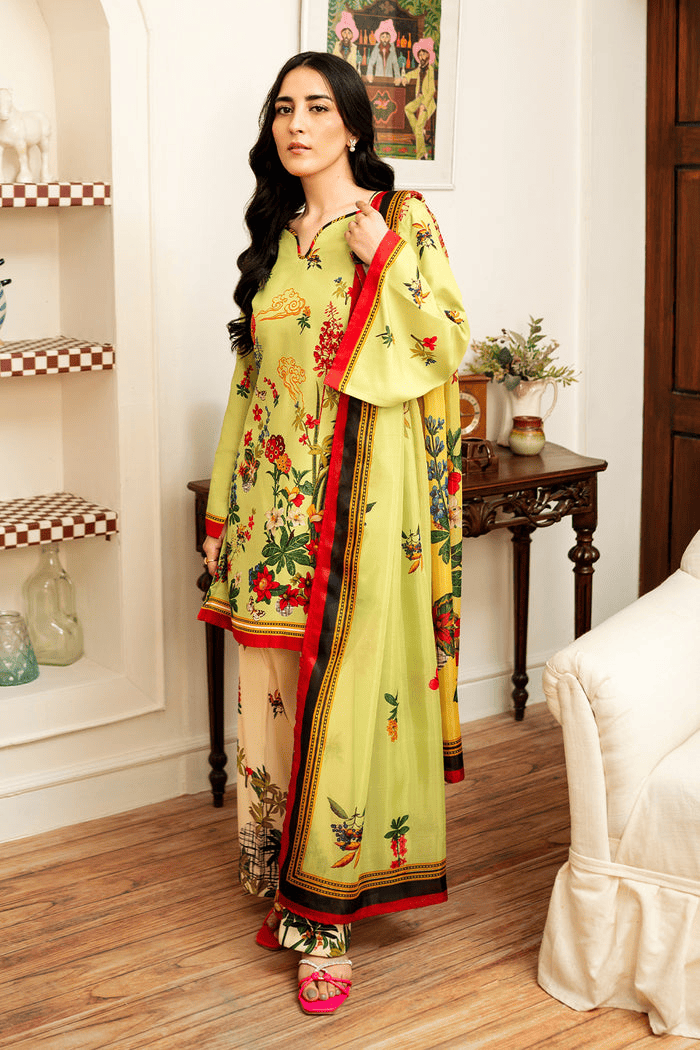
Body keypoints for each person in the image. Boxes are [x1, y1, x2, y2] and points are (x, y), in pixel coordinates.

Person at [199, 50, 468, 1015]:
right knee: (272, 695)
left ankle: (326, 926)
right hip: (273, 508)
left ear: (355, 125)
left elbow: (445, 341)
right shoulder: (274, 238)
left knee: (347, 700)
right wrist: (224, 510)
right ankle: (284, 874)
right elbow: (251, 386)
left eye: (317, 107)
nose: (297, 124)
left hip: (359, 513)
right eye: (282, 109)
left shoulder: (399, 223)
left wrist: (382, 262)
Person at [402, 37, 437, 159]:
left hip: (428, 101)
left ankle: (421, 155)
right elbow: (412, 73)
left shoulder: (431, 70)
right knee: (407, 109)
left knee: (417, 127)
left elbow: (432, 90)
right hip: (419, 98)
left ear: (429, 55)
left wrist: (424, 105)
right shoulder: (420, 68)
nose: (421, 57)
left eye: (424, 54)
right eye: (420, 55)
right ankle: (420, 131)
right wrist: (406, 77)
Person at [366, 19, 402, 83]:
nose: (385, 39)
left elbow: (395, 64)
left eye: (387, 37)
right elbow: (371, 63)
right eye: (383, 37)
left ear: (390, 38)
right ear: (379, 38)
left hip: (389, 78)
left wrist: (397, 77)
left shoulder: (392, 49)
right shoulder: (377, 48)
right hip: (378, 78)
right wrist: (369, 74)